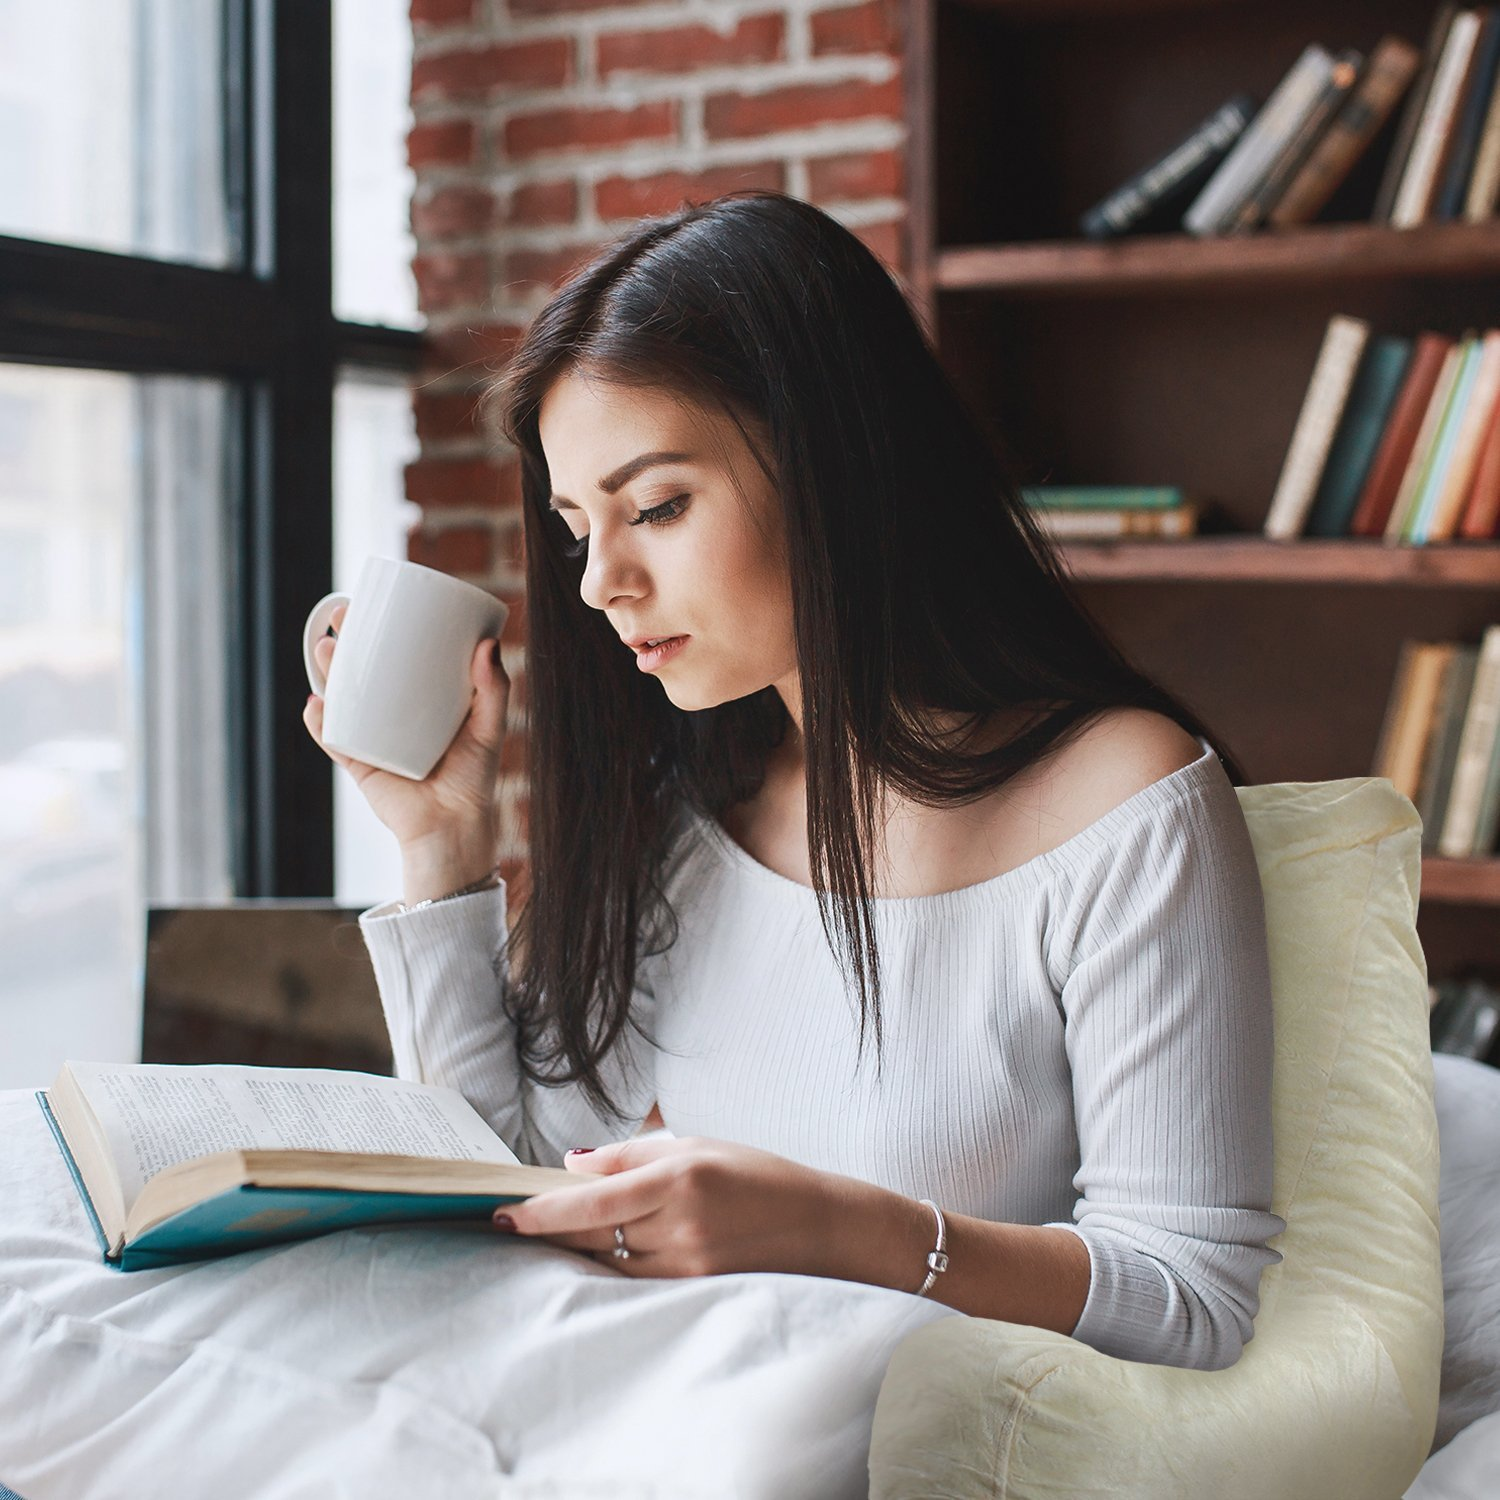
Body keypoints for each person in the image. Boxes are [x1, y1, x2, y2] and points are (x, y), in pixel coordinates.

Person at [304, 190, 1283, 1373]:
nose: (598, 581)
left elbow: (1194, 1299)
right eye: (577, 528)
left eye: (656, 506)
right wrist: (441, 846)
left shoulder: (1124, 802)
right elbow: (505, 1188)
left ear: (833, 467)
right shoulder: (688, 814)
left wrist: (832, 1226)